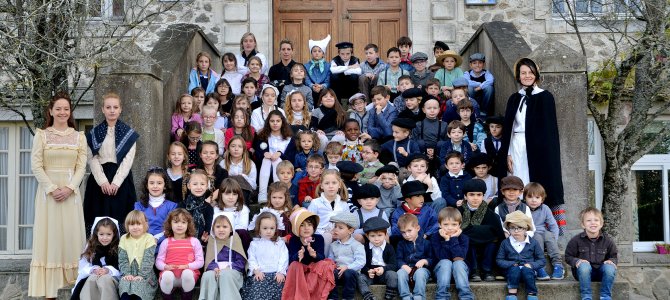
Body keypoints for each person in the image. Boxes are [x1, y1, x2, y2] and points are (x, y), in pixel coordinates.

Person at [28, 92, 88, 299]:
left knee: (71, 237)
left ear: (70, 112)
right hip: (48, 197)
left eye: (66, 109)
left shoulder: (80, 137)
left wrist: (70, 188)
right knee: (50, 237)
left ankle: (73, 287)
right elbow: (36, 166)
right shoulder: (41, 135)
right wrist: (52, 188)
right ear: (51, 111)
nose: (62, 112)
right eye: (58, 108)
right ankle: (49, 292)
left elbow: (81, 167)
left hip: (71, 196)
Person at [501, 57, 566, 234]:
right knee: (518, 180)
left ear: (536, 74)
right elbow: (508, 128)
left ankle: (539, 229)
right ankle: (517, 228)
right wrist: (506, 152)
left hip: (538, 150)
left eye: (530, 72)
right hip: (516, 145)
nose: (527, 76)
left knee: (535, 183)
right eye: (523, 73)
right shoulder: (514, 98)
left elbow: (549, 131)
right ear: (518, 76)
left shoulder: (545, 97)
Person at [84, 92, 138, 233]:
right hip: (99, 183)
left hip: (121, 181)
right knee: (98, 220)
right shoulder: (94, 133)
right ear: (103, 109)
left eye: (115, 107)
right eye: (108, 107)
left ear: (120, 109)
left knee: (121, 219)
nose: (112, 110)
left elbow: (128, 160)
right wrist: (103, 181)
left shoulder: (128, 134)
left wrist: (116, 182)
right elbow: (92, 158)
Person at [282, 208, 336, 299]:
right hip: (300, 269)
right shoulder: (294, 240)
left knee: (324, 264)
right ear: (296, 227)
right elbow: (291, 259)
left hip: (314, 269)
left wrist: (314, 255)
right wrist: (298, 255)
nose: (306, 228)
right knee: (295, 264)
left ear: (314, 227)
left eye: (309, 225)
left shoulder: (318, 238)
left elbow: (321, 256)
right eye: (302, 225)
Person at [565, 207, 618, 300]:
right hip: (583, 273)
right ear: (583, 224)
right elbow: (568, 257)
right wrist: (577, 261)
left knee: (610, 268)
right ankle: (586, 297)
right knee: (584, 266)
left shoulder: (608, 240)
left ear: (601, 224)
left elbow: (614, 256)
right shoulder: (576, 240)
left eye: (596, 220)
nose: (593, 223)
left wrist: (611, 261)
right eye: (588, 220)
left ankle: (605, 296)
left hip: (601, 273)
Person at [458, 179, 504, 282]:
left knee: (492, 242)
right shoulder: (458, 212)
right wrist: (483, 232)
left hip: (487, 246)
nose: (475, 198)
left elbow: (498, 234)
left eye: (479, 195)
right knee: (467, 239)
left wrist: (471, 231)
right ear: (465, 196)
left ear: (483, 196)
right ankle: (474, 270)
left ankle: (487, 270)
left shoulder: (491, 214)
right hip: (468, 247)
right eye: (471, 195)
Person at [156, 209, 205, 299]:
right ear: (170, 224)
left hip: (188, 277)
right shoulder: (166, 242)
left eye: (183, 222)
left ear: (188, 225)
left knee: (187, 274)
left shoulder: (194, 241)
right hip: (170, 277)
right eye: (176, 222)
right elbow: (159, 261)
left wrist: (187, 266)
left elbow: (200, 261)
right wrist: (165, 267)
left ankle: (186, 296)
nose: (179, 225)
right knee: (167, 276)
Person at [496, 211, 545, 300]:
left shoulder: (533, 243)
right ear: (508, 229)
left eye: (520, 228)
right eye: (512, 228)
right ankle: (512, 294)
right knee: (514, 270)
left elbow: (541, 260)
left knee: (527, 270)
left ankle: (532, 294)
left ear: (526, 229)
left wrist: (531, 265)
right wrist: (511, 264)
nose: (516, 231)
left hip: (528, 271)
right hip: (511, 271)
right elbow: (499, 260)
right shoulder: (505, 243)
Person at [199, 212, 247, 300]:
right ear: (213, 229)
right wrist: (214, 267)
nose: (221, 230)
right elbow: (209, 259)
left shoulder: (235, 239)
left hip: (232, 270)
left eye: (225, 227)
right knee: (207, 275)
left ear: (231, 228)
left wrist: (230, 267)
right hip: (215, 269)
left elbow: (241, 261)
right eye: (218, 227)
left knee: (225, 274)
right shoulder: (212, 241)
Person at [71, 217, 120, 300]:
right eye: (101, 234)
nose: (105, 238)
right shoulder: (91, 247)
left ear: (114, 234)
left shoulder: (118, 248)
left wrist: (108, 270)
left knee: (104, 279)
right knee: (91, 279)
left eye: (108, 234)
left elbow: (121, 268)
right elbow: (83, 267)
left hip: (112, 277)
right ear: (96, 233)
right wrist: (93, 269)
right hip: (94, 274)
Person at [242, 211, 289, 300]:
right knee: (256, 291)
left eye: (272, 228)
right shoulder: (254, 244)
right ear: (259, 228)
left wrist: (281, 272)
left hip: (276, 275)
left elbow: (284, 258)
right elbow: (252, 259)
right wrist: (256, 270)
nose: (268, 231)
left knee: (280, 290)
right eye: (265, 228)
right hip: (260, 274)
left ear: (276, 228)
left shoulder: (279, 243)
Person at [253, 110, 297, 203]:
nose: (275, 124)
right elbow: (257, 154)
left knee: (277, 160)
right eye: (272, 121)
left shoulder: (289, 138)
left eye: (278, 121)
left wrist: (280, 154)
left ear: (282, 122)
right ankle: (262, 194)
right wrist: (264, 154)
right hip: (266, 167)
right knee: (266, 160)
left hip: (283, 166)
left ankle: (279, 191)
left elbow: (292, 158)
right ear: (268, 122)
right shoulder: (262, 136)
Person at [431, 207, 474, 300]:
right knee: (446, 262)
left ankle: (466, 296)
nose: (450, 228)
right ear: (439, 224)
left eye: (454, 224)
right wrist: (446, 240)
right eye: (446, 224)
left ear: (459, 225)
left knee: (458, 263)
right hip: (441, 275)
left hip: (460, 274)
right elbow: (442, 257)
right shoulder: (435, 238)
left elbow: (459, 257)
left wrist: (453, 238)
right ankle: (442, 296)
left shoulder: (464, 238)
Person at [524, 182, 564, 280]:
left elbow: (553, 225)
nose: (534, 200)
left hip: (543, 232)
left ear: (542, 199)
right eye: (530, 197)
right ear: (525, 198)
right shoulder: (523, 208)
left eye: (537, 197)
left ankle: (558, 265)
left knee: (549, 235)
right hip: (530, 233)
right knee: (537, 236)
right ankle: (539, 266)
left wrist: (554, 239)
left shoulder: (545, 208)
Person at [307, 169, 353, 252]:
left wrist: (338, 232)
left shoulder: (344, 204)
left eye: (334, 183)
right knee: (327, 237)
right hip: (321, 235)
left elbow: (348, 223)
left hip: (339, 234)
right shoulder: (315, 203)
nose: (330, 186)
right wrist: (326, 233)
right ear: (321, 186)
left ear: (339, 185)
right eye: (327, 183)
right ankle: (325, 261)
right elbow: (310, 223)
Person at [118, 210, 157, 300]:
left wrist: (141, 275)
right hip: (128, 272)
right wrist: (127, 273)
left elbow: (148, 259)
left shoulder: (149, 238)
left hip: (145, 274)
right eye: (132, 224)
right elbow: (122, 259)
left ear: (144, 225)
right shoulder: (124, 238)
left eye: (138, 224)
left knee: (138, 288)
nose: (135, 227)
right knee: (125, 287)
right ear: (127, 226)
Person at [327, 211, 365, 300]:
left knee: (349, 273)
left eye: (340, 228)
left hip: (351, 273)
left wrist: (347, 267)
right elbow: (330, 259)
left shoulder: (357, 245)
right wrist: (332, 266)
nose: (336, 229)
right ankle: (333, 297)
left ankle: (348, 297)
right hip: (338, 272)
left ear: (350, 231)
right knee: (330, 272)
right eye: (335, 226)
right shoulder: (333, 245)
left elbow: (361, 261)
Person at [357, 217, 398, 300]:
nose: (376, 239)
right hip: (370, 274)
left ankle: (390, 294)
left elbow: (394, 265)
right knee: (360, 277)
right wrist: (367, 271)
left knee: (393, 275)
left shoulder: (389, 248)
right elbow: (361, 263)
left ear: (385, 235)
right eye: (372, 236)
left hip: (384, 272)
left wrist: (383, 269)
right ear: (367, 236)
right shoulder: (365, 248)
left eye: (380, 235)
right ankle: (368, 295)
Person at [133, 167, 177, 245]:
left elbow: (172, 228)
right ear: (147, 185)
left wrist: (157, 239)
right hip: (143, 244)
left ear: (165, 185)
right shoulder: (139, 206)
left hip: (165, 244)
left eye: (159, 183)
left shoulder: (172, 206)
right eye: (152, 183)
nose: (155, 186)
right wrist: (148, 239)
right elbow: (136, 226)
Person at [395, 214, 431, 299]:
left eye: (409, 231)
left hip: (422, 270)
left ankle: (418, 296)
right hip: (407, 269)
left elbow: (432, 259)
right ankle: (405, 296)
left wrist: (424, 261)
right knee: (400, 273)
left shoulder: (426, 243)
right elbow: (398, 259)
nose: (407, 235)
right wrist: (403, 265)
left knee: (420, 273)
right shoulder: (401, 244)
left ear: (417, 228)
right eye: (403, 232)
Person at [179, 170, 214, 243]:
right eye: (195, 184)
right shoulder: (182, 205)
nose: (199, 187)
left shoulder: (208, 208)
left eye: (202, 184)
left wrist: (205, 237)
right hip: (183, 241)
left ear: (207, 186)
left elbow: (208, 228)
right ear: (189, 186)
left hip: (201, 244)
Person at [305, 35, 332, 105]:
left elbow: (328, 80)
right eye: (314, 51)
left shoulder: (328, 66)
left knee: (326, 92)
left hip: (323, 88)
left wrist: (321, 86)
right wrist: (312, 86)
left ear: (323, 53)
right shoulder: (306, 66)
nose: (317, 53)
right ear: (311, 53)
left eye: (319, 51)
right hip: (311, 88)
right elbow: (306, 79)